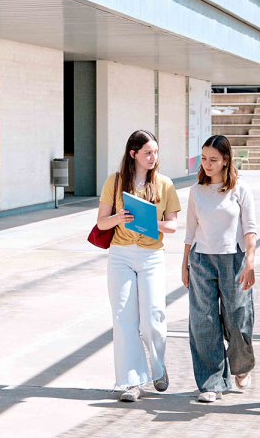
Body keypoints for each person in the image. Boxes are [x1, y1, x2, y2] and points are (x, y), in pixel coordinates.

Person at [96, 130, 183, 402]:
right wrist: (119, 217)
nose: (153, 158)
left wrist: (150, 223)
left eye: (156, 152)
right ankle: (132, 382)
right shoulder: (115, 182)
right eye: (148, 152)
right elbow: (101, 223)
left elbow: (172, 225)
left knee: (153, 318)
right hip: (120, 254)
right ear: (133, 154)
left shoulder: (165, 184)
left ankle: (157, 368)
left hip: (151, 256)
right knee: (124, 319)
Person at [182, 135, 258, 403]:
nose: (207, 164)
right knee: (203, 321)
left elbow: (250, 229)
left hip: (234, 261)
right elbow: (190, 231)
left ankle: (241, 366)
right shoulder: (196, 191)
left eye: (213, 159)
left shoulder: (240, 189)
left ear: (226, 160)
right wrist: (184, 264)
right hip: (201, 259)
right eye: (203, 159)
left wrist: (250, 262)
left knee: (238, 318)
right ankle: (211, 383)